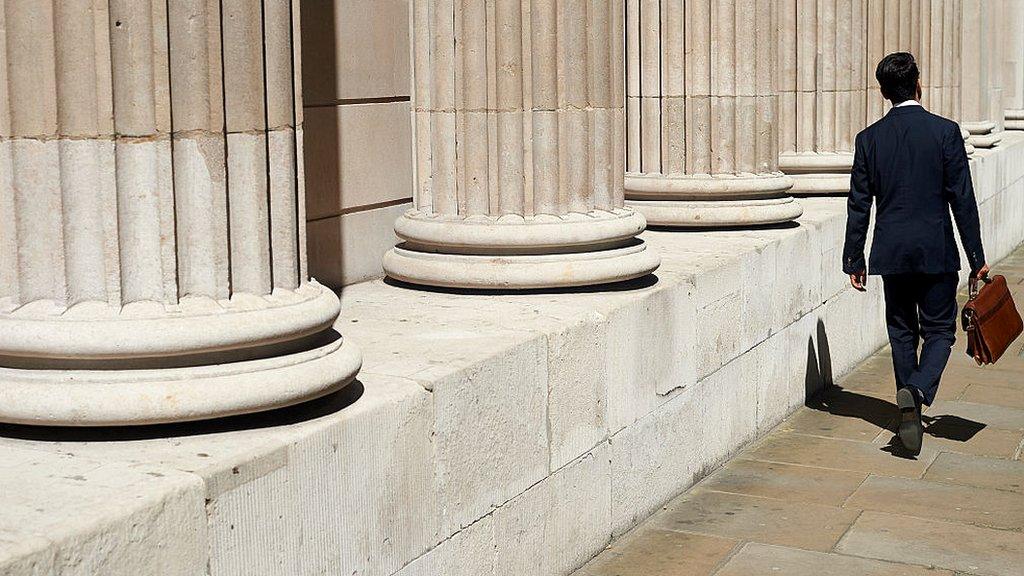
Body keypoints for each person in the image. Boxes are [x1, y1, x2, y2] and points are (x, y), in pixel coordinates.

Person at [843, 52, 989, 455]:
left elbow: (859, 203)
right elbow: (963, 200)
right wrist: (976, 258)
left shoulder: (869, 139)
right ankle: (918, 391)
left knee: (902, 330)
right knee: (940, 331)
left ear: (883, 91)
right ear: (918, 84)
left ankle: (909, 414)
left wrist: (854, 258)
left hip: (891, 252)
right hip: (936, 250)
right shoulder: (945, 132)